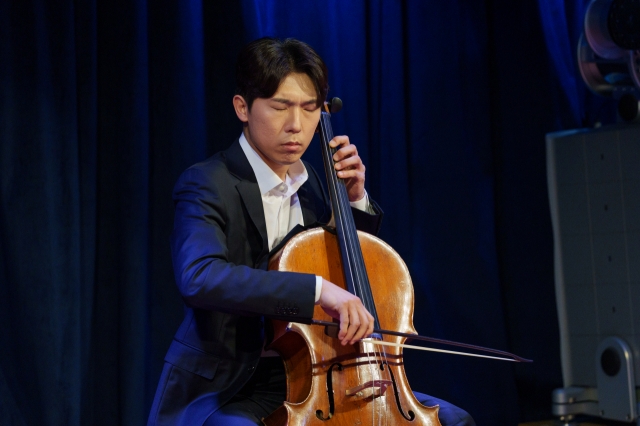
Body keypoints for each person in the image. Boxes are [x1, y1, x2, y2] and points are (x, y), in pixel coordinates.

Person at [147, 37, 475, 426]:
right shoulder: (206, 183)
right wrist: (317, 290)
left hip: (318, 371)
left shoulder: (316, 184)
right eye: (280, 107)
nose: (296, 126)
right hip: (232, 383)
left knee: (455, 421)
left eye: (309, 108)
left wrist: (352, 201)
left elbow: (352, 264)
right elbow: (199, 277)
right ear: (242, 107)